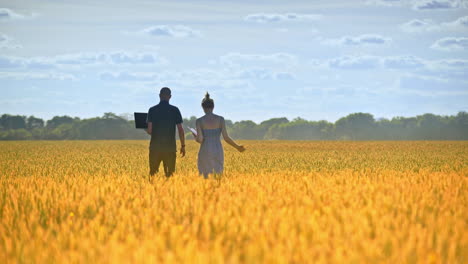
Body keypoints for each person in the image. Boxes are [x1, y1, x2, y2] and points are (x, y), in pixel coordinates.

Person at [193, 92, 245, 178]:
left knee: (205, 177)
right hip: (217, 150)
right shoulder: (220, 119)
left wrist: (195, 136)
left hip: (205, 150)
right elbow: (226, 138)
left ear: (203, 107)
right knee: (218, 175)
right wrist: (237, 147)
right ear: (213, 107)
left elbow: (200, 139)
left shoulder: (199, 121)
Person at [146, 87, 185, 179]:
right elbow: (180, 130)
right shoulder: (175, 110)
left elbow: (149, 131)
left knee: (153, 175)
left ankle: (152, 192)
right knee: (170, 175)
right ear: (170, 97)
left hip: (155, 148)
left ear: (159, 96)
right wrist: (183, 146)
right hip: (170, 149)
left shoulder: (152, 110)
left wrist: (145, 128)